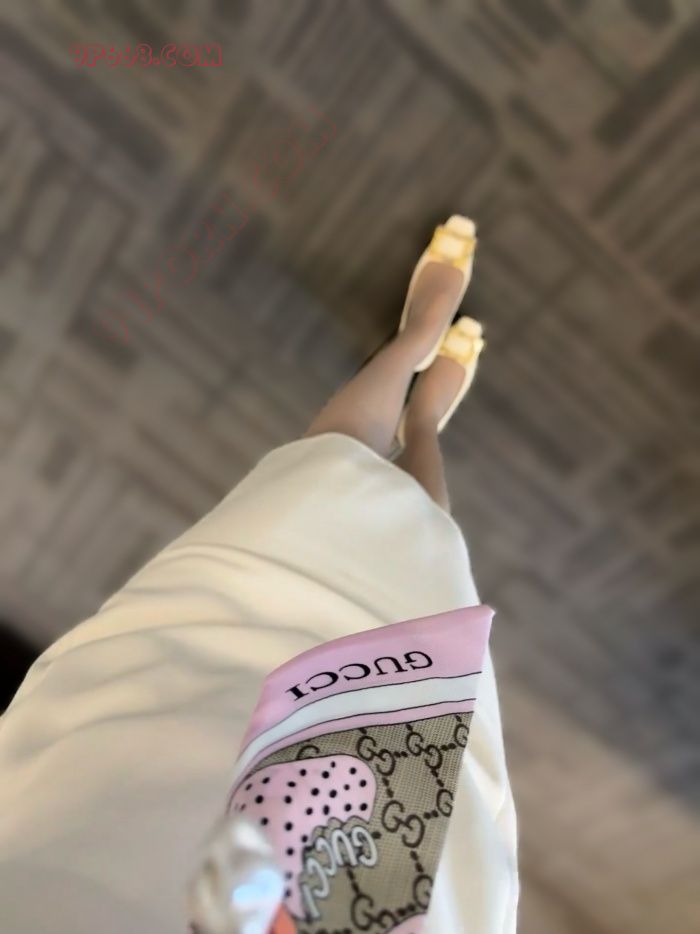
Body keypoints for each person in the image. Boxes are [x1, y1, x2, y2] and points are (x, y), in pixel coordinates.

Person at [0, 216, 519, 933]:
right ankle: (425, 419)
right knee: (421, 572)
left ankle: (410, 346)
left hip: (122, 780)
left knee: (318, 485)